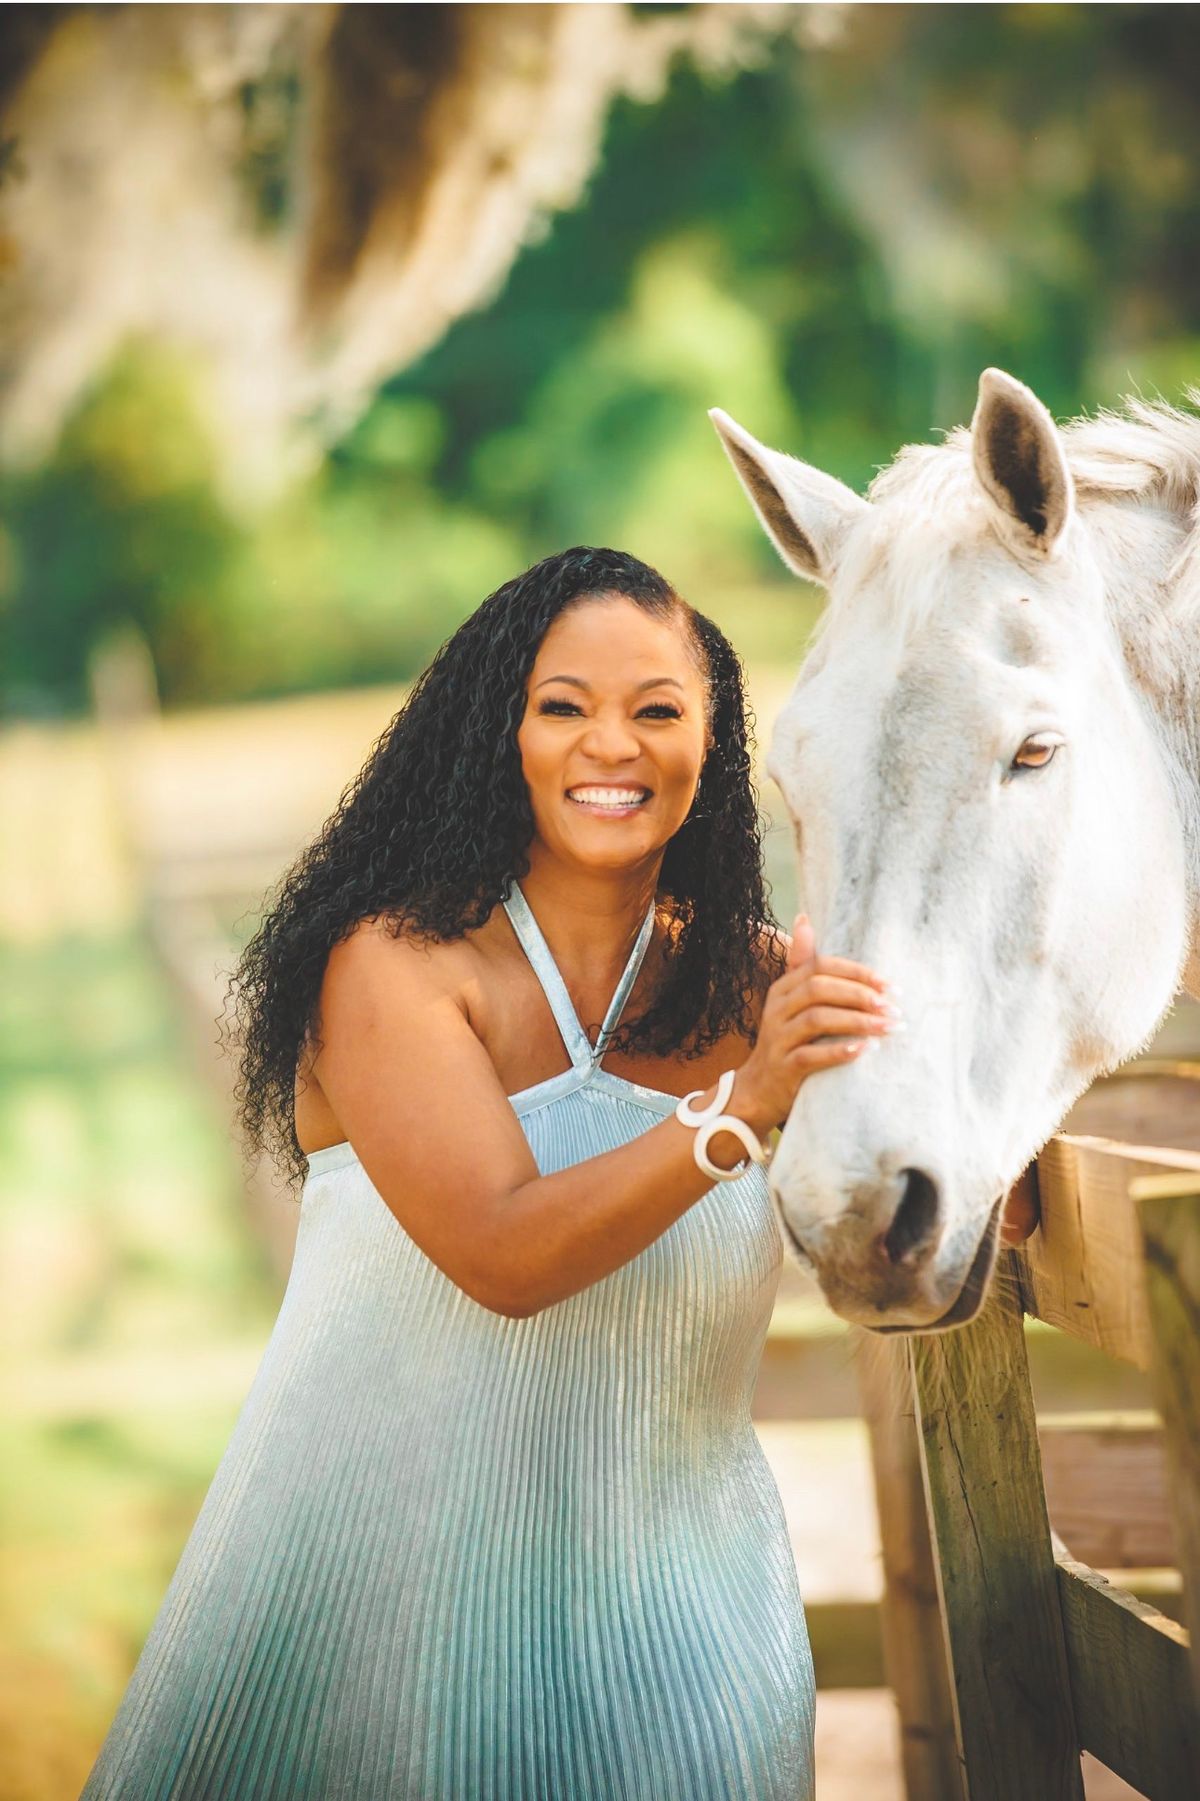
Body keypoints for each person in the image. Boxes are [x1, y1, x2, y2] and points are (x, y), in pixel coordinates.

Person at [80, 546, 900, 1801]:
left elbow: (927, 1172)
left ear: (716, 741)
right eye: (562, 705)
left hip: (688, 1652)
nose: (610, 745)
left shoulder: (756, 990)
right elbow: (506, 1254)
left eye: (658, 710)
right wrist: (746, 1109)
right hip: (382, 1647)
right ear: (495, 731)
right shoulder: (394, 967)